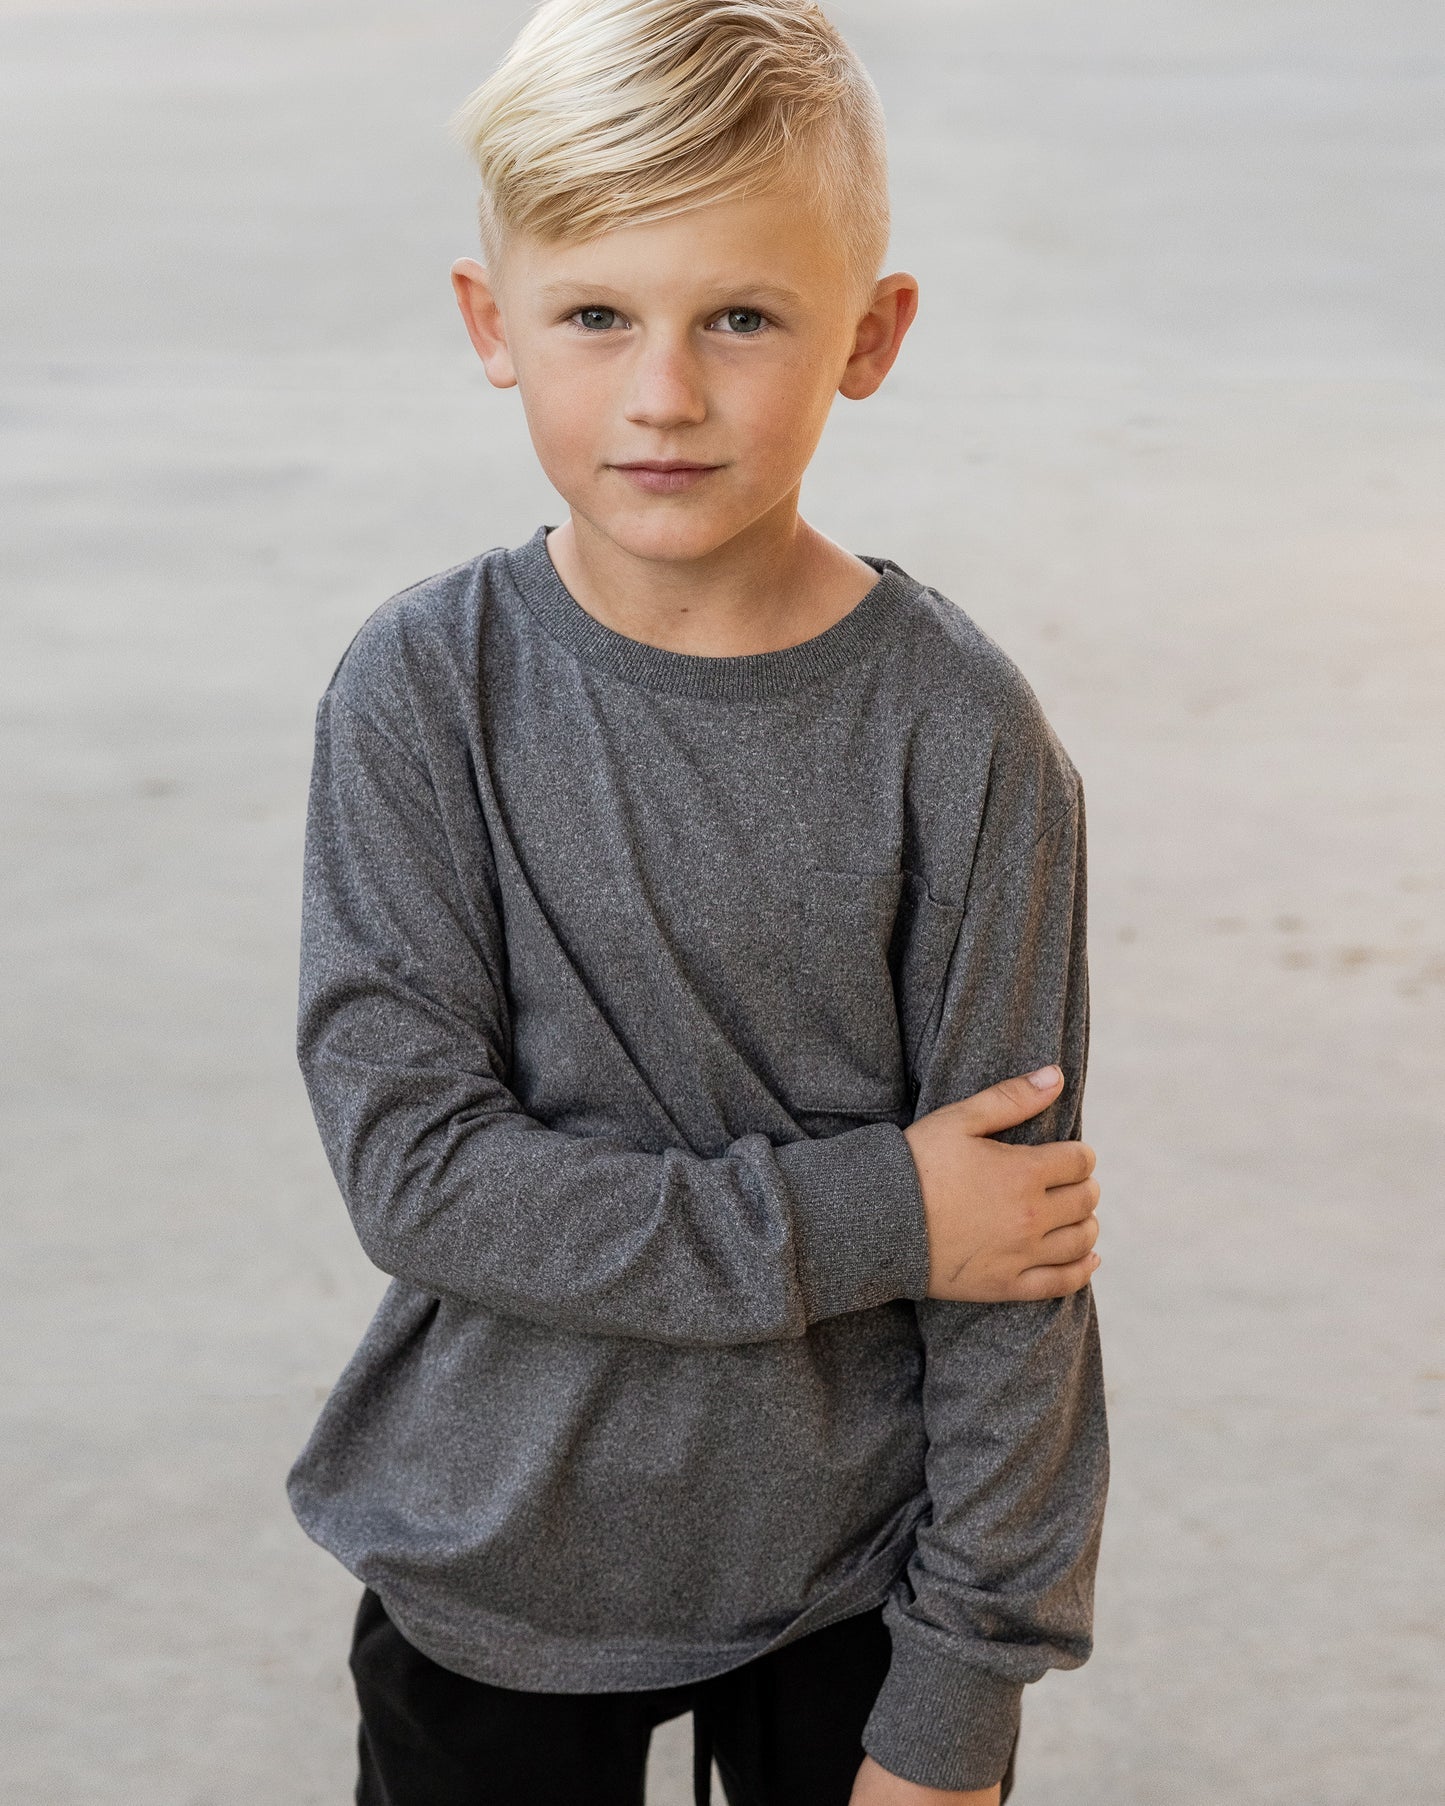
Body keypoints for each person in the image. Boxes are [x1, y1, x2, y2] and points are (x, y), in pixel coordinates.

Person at [285, 2, 1109, 1802]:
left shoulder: (960, 734)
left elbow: (1019, 1254)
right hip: (491, 1551)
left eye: (740, 317)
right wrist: (881, 1211)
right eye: (596, 315)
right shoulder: (423, 692)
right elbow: (419, 1176)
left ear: (868, 335)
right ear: (490, 323)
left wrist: (963, 1693)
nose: (663, 394)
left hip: (853, 1578)